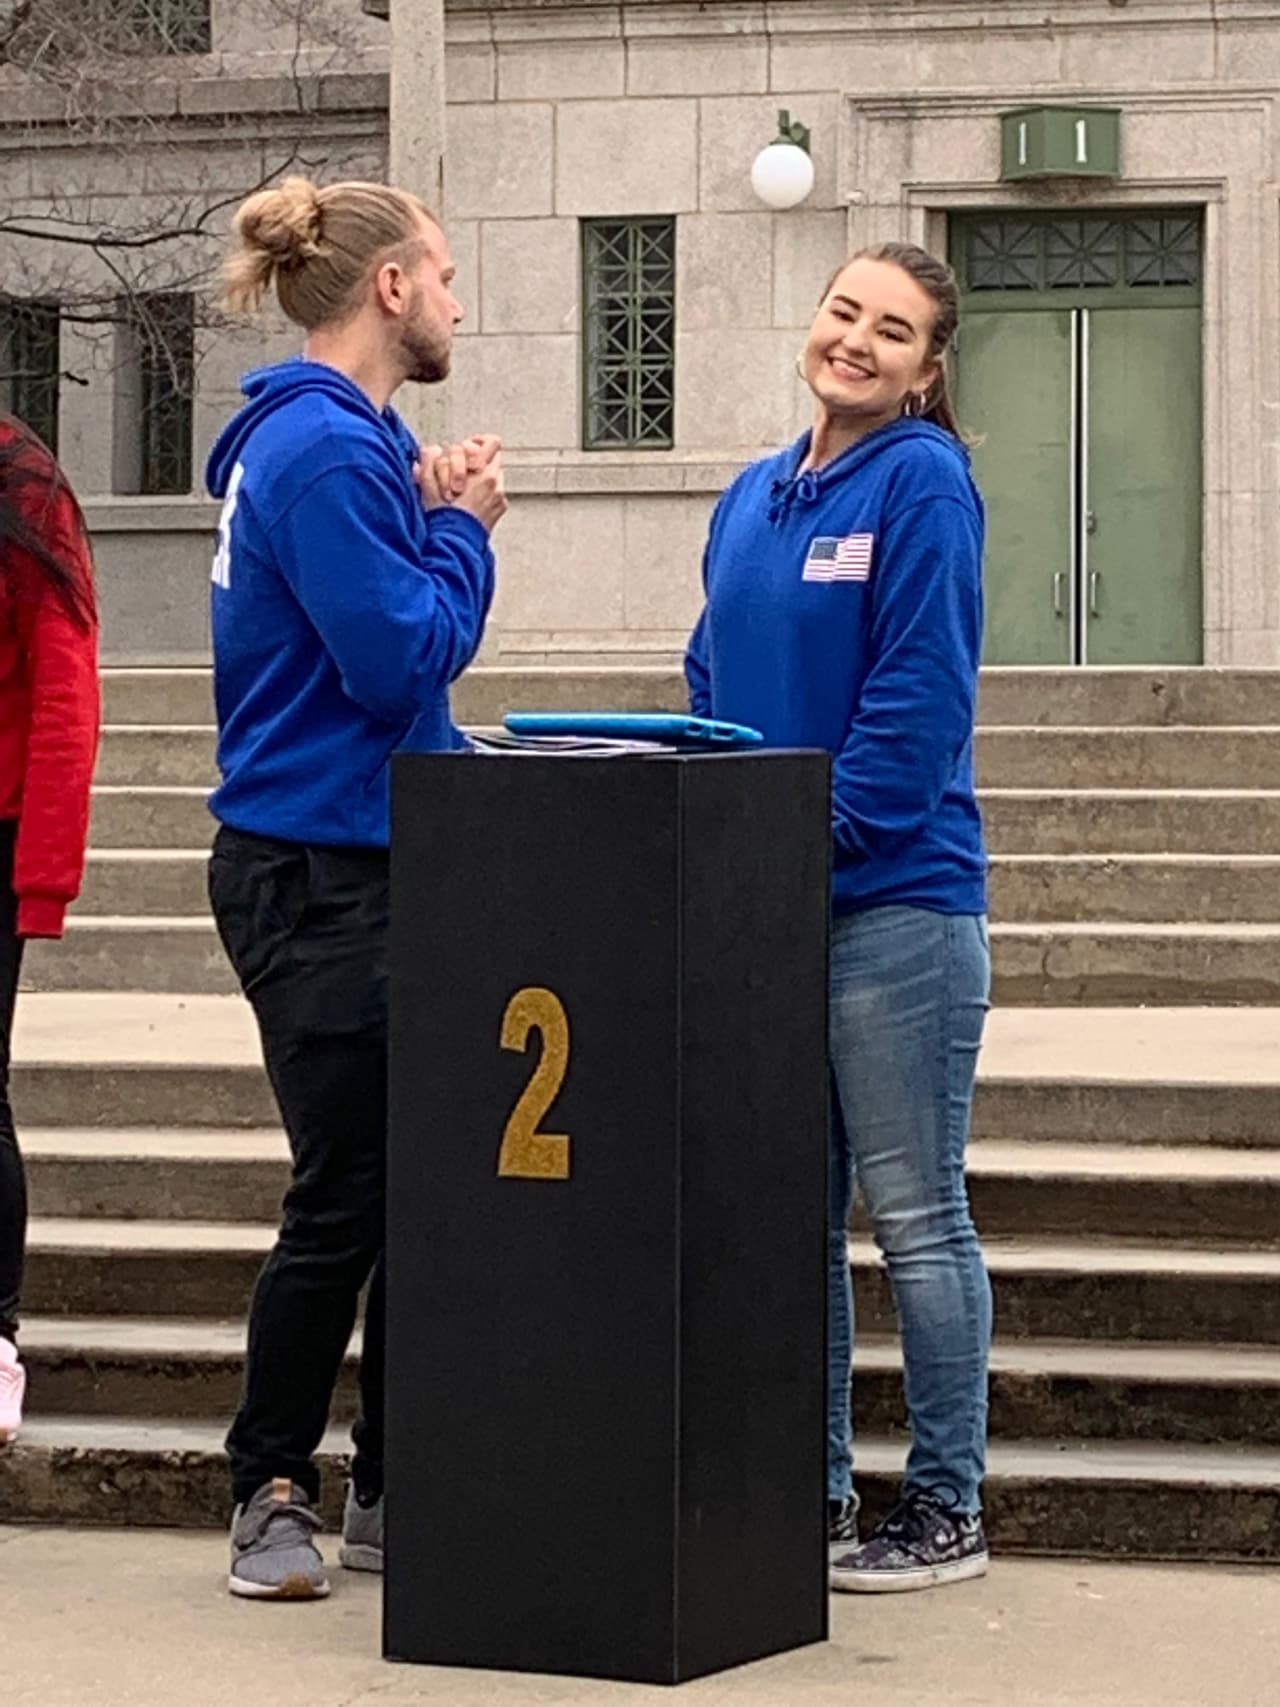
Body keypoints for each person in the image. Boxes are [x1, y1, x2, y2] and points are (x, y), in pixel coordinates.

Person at [207, 175, 506, 1600]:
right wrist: (464, 531)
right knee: (349, 1192)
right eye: (443, 274)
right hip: (319, 870)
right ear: (389, 288)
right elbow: (397, 659)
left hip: (374, 857)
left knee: (412, 1188)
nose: (457, 300)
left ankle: (398, 1479)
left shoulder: (357, 444)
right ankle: (270, 1480)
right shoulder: (327, 450)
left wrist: (427, 512)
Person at [685, 242, 991, 1593]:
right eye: (844, 311)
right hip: (764, 901)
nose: (856, 340)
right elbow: (706, 675)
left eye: (894, 330)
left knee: (915, 1213)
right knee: (792, 1213)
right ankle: (808, 1490)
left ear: (928, 370)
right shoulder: (754, 495)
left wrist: (797, 850)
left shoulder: (923, 482)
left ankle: (945, 1503)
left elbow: (917, 706)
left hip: (895, 909)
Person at [0, 415, 100, 1443]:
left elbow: (66, 688)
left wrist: (44, 883)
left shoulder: (26, 488)